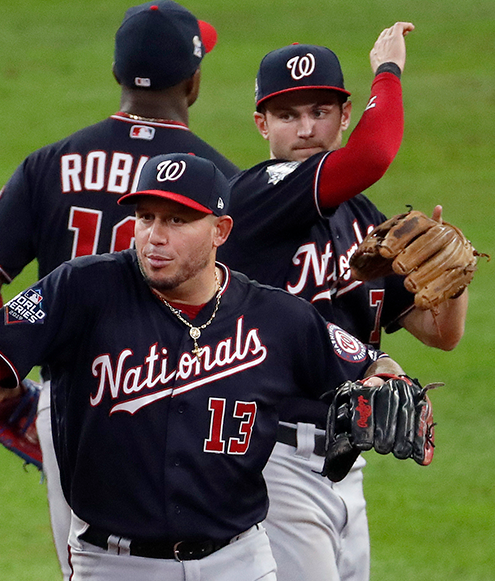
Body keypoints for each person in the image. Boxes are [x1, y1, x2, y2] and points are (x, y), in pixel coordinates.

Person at [0, 153, 411, 580]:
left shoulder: (277, 316)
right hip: (115, 565)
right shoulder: (82, 289)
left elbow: (366, 363)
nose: (155, 237)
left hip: (240, 562)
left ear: (220, 231)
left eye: (177, 221)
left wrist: (385, 374)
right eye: (146, 217)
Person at [0, 2, 237, 575]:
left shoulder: (51, 163)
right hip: (189, 395)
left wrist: (10, 386)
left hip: (73, 403)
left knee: (93, 566)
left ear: (117, 73)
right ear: (195, 79)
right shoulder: (219, 180)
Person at [219, 23, 468, 581]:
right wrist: (390, 69)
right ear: (262, 125)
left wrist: (452, 278)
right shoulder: (258, 193)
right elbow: (374, 154)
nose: (306, 128)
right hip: (270, 456)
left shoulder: (360, 215)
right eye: (287, 115)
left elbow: (439, 333)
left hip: (342, 462)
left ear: (344, 115)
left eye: (320, 111)